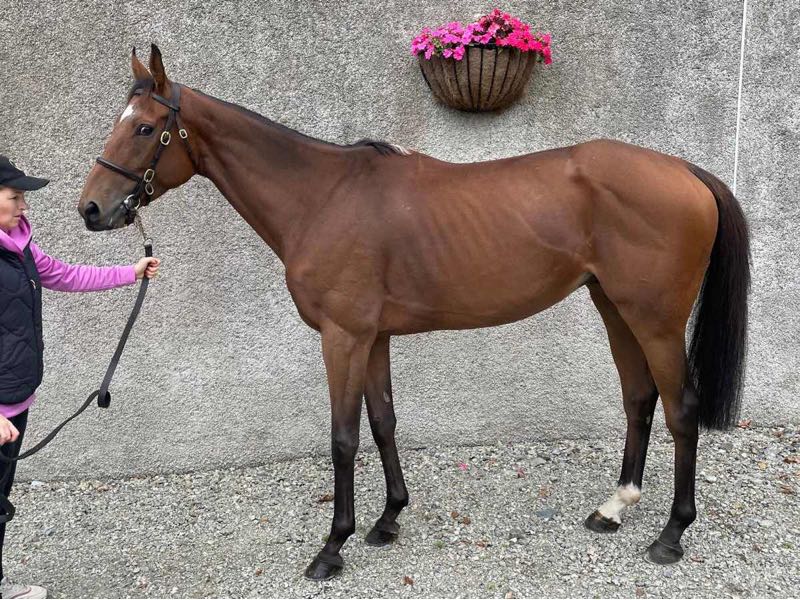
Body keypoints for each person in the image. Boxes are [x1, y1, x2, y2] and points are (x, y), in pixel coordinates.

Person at [0, 155, 160, 599]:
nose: (24, 206)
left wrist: (129, 272)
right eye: (14, 197)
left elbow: (65, 275)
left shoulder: (19, 248)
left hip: (14, 400)